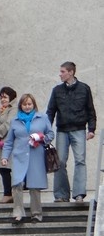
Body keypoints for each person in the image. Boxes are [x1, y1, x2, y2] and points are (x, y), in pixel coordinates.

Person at [47, 61, 97, 203]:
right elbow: (50, 111)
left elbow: (90, 110)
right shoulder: (57, 90)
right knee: (60, 161)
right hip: (62, 130)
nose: (60, 74)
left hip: (79, 129)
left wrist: (91, 129)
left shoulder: (84, 89)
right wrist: (46, 130)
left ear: (71, 72)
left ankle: (79, 194)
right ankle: (61, 195)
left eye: (63, 71)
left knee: (80, 160)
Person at [1, 93, 54, 225]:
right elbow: (8, 142)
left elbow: (51, 134)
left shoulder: (42, 118)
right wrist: (5, 157)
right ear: (20, 106)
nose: (27, 107)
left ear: (34, 105)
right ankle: (18, 213)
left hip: (36, 155)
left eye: (29, 104)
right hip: (19, 156)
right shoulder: (15, 120)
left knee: (34, 186)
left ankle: (36, 214)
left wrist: (41, 138)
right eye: (24, 104)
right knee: (17, 184)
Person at [0, 87, 18, 204]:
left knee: (7, 168)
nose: (3, 100)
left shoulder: (14, 109)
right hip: (0, 142)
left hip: (9, 142)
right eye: (1, 97)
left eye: (5, 97)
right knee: (3, 169)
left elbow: (8, 124)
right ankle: (8, 193)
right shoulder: (2, 110)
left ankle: (9, 193)